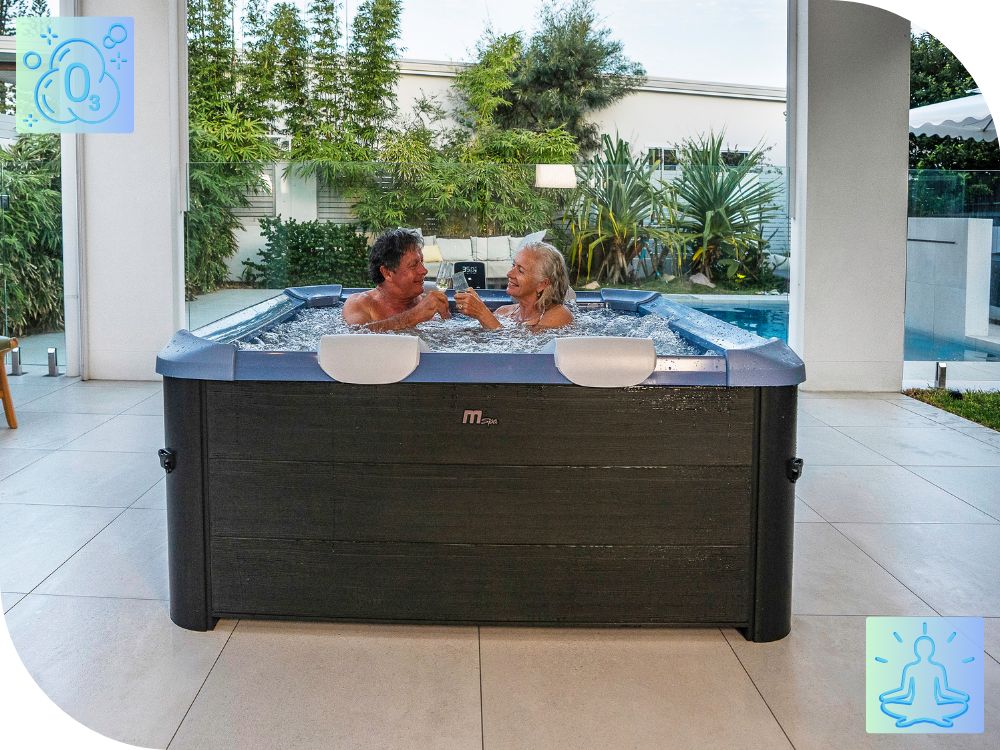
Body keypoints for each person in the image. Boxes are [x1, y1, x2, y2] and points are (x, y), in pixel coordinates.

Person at [342, 228, 451, 331]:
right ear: (387, 273)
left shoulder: (429, 303)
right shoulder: (360, 304)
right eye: (413, 265)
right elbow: (354, 336)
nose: (424, 270)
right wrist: (414, 316)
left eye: (422, 262)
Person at [454, 241, 574, 330]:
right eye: (513, 265)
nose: (509, 274)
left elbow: (523, 350)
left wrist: (482, 313)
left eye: (520, 270)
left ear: (542, 284)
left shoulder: (560, 315)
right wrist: (445, 315)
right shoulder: (503, 312)